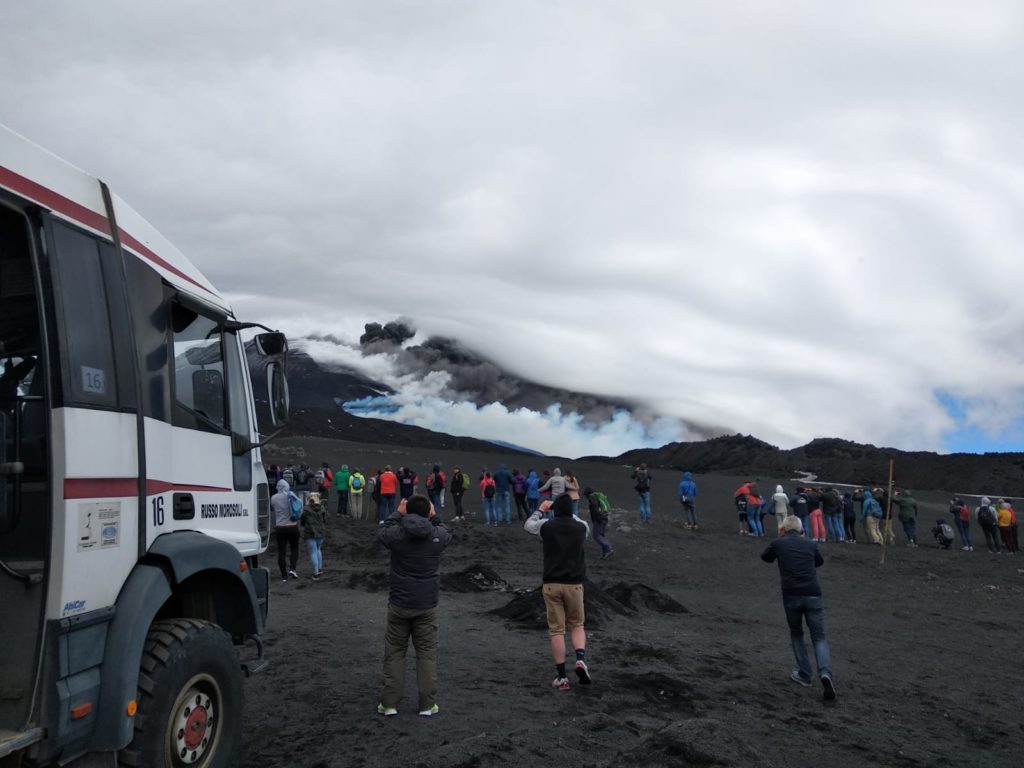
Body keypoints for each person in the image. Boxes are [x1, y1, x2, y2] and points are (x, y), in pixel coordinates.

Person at [376, 495, 452, 717]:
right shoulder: (437, 536)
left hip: (399, 603)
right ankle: (427, 705)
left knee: (395, 653)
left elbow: (382, 530)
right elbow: (445, 531)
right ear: (429, 510)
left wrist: (397, 513)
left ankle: (389, 704)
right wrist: (435, 514)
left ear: (406, 510)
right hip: (427, 604)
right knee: (427, 654)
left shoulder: (396, 534)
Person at [761, 516, 836, 702]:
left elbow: (765, 557)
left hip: (791, 594)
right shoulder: (810, 544)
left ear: (783, 529)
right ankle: (825, 673)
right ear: (801, 530)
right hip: (813, 593)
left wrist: (779, 538)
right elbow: (819, 562)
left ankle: (804, 673)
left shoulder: (778, 543)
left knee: (797, 633)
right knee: (819, 636)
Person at [524, 495, 592, 690]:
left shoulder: (547, 526)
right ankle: (580, 659)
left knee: (556, 630)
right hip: (575, 584)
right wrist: (572, 513)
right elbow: (581, 522)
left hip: (552, 583)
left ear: (554, 510)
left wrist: (541, 509)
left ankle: (562, 677)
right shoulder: (581, 528)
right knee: (577, 625)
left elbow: (528, 525)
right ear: (571, 510)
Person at [270, 479, 300, 582]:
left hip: (280, 528)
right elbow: (299, 504)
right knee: (294, 549)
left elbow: (273, 509)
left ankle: (283, 576)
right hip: (292, 526)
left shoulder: (273, 498)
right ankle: (292, 569)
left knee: (281, 551)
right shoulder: (290, 495)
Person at [301, 491, 328, 579]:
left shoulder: (306, 509)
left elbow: (302, 522)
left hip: (310, 532)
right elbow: (325, 520)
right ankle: (319, 569)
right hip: (320, 532)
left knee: (313, 552)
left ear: (309, 499)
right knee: (318, 549)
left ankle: (315, 573)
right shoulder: (322, 508)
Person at [583, 487, 613, 559]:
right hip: (605, 517)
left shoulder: (592, 497)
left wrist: (597, 518)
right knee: (601, 535)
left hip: (599, 519)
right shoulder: (598, 496)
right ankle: (605, 553)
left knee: (596, 536)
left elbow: (595, 509)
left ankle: (608, 548)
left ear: (587, 494)